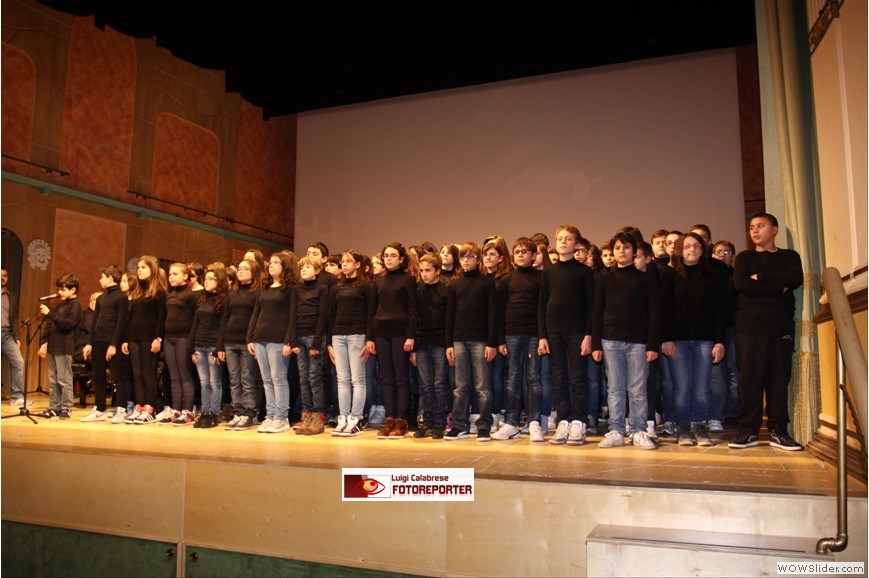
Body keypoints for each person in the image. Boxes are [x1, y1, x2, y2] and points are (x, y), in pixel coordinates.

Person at [729, 213, 804, 451]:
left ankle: (778, 431)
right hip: (750, 327)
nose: (754, 231)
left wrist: (761, 277)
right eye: (752, 227)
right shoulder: (745, 257)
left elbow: (795, 278)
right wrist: (778, 287)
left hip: (780, 325)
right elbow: (742, 284)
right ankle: (748, 431)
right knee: (750, 379)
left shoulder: (789, 256)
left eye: (760, 226)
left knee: (779, 378)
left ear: (775, 229)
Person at [592, 233, 661, 450]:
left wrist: (652, 344)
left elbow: (654, 313)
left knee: (638, 389)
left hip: (638, 341)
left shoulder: (646, 279)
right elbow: (597, 312)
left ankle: (639, 430)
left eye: (626, 247)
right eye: (618, 248)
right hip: (610, 340)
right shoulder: (604, 279)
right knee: (615, 388)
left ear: (634, 251)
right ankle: (616, 430)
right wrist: (596, 344)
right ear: (612, 252)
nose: (622, 251)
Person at [660, 233, 726, 447]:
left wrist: (719, 341)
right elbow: (664, 310)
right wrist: (666, 338)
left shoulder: (711, 276)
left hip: (705, 340)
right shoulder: (671, 276)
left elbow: (719, 311)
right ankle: (683, 427)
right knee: (681, 387)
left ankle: (699, 425)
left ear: (702, 249)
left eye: (696, 246)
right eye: (687, 246)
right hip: (677, 341)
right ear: (680, 250)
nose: (692, 249)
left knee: (702, 387)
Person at [538, 225, 595, 446]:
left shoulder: (585, 273)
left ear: (576, 244)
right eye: (560, 238)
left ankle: (579, 421)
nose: (563, 242)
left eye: (568, 239)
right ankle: (563, 420)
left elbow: (591, 307)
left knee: (577, 378)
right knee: (558, 378)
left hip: (577, 333)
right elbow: (542, 306)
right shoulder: (548, 272)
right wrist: (542, 336)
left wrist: (589, 335)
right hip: (553, 333)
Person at [444, 242, 497, 441]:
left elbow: (493, 314)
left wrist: (492, 343)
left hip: (481, 340)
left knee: (483, 387)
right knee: (460, 387)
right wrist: (449, 344)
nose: (466, 260)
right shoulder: (455, 284)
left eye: (471, 256)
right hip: (459, 340)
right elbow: (450, 316)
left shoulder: (487, 282)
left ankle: (484, 426)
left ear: (478, 259)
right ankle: (460, 425)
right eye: (463, 257)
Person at [367, 242, 418, 439]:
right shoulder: (378, 281)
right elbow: (372, 312)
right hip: (381, 333)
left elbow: (413, 310)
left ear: (401, 259)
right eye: (386, 256)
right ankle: (389, 419)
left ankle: (402, 420)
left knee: (401, 377)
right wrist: (370, 337)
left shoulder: (408, 280)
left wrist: (411, 336)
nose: (388, 259)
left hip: (400, 334)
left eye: (393, 255)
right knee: (386, 378)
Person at [493, 238, 542, 441]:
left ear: (534, 255)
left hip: (534, 334)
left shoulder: (541, 278)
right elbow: (499, 313)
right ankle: (511, 423)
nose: (521, 255)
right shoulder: (506, 280)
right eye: (517, 251)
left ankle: (534, 422)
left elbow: (543, 309)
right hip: (512, 334)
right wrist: (500, 340)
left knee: (533, 378)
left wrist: (543, 336)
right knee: (513, 378)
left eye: (525, 251)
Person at [248, 252, 297, 434]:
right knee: (266, 379)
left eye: (277, 262)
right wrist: (251, 338)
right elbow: (256, 313)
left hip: (278, 339)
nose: (272, 265)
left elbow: (292, 316)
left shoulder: (290, 289)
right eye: (271, 262)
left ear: (285, 267)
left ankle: (281, 418)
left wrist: (288, 341)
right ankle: (270, 415)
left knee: (278, 378)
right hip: (260, 338)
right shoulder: (264, 288)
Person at [327, 250, 372, 437]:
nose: (344, 264)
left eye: (348, 261)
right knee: (342, 379)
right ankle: (343, 417)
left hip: (357, 334)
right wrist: (329, 343)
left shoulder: (366, 287)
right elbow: (331, 315)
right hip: (338, 335)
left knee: (357, 379)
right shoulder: (336, 288)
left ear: (358, 265)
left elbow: (370, 314)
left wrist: (369, 339)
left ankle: (356, 417)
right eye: (342, 261)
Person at [120, 256, 168, 424]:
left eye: (143, 267)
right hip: (134, 337)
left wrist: (158, 338)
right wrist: (126, 340)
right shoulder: (137, 292)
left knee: (148, 374)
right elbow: (131, 318)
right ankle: (139, 407)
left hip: (150, 338)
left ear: (152, 269)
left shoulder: (160, 292)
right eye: (138, 267)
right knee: (137, 374)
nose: (139, 270)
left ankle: (150, 408)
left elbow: (161, 318)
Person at [218, 259, 262, 431]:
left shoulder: (257, 292)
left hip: (247, 342)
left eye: (245, 268)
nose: (241, 271)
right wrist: (220, 345)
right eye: (239, 269)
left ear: (254, 272)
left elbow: (257, 318)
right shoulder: (232, 293)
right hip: (230, 341)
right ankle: (237, 412)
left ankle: (249, 413)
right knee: (234, 380)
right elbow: (225, 319)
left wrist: (253, 340)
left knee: (247, 379)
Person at [81, 265, 129, 422]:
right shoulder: (101, 298)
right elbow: (94, 322)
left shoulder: (121, 298)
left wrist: (113, 345)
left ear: (110, 278)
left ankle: (121, 409)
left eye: (102, 277)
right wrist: (89, 343)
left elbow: (121, 323)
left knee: (118, 376)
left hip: (113, 343)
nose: (99, 280)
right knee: (98, 376)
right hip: (98, 342)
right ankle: (99, 408)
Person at [411, 253, 449, 439]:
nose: (424, 274)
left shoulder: (445, 291)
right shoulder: (418, 291)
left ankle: (441, 422)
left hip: (440, 343)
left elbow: (449, 320)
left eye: (428, 270)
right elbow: (414, 319)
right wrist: (413, 348)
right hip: (422, 343)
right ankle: (427, 422)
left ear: (438, 271)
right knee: (425, 385)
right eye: (422, 271)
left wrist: (449, 345)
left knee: (439, 384)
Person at [290, 256, 329, 435]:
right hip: (299, 337)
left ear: (317, 270)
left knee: (314, 377)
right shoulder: (296, 289)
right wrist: (293, 340)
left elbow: (323, 316)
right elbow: (292, 315)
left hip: (314, 337)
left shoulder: (322, 288)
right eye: (302, 267)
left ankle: (318, 415)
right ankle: (306, 414)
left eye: (308, 266)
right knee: (303, 378)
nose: (304, 270)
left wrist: (316, 342)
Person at [37, 274, 81, 419]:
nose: (60, 292)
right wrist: (44, 343)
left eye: (63, 289)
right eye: (59, 289)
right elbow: (50, 326)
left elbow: (68, 324)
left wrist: (50, 314)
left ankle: (66, 407)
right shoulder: (60, 305)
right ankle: (54, 407)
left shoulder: (75, 305)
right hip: (53, 346)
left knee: (64, 379)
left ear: (73, 290)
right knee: (53, 379)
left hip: (64, 346)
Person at [189, 264, 227, 428]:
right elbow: (195, 325)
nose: (207, 281)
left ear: (219, 281)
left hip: (213, 346)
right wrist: (191, 348)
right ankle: (205, 412)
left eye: (212, 279)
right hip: (199, 345)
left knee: (214, 382)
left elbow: (223, 326)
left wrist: (219, 348)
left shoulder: (223, 300)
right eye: (206, 279)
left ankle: (214, 413)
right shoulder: (202, 299)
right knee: (204, 382)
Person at [162, 263, 200, 425]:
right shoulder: (170, 295)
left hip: (184, 339)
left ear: (185, 276)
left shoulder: (191, 295)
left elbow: (196, 320)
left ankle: (188, 411)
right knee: (174, 376)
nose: (171, 276)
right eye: (170, 274)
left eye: (175, 274)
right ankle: (176, 409)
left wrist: (193, 342)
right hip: (169, 339)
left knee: (185, 375)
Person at [708, 240, 739, 428]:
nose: (722, 255)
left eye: (726, 252)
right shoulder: (710, 277)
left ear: (732, 256)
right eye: (718, 252)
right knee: (717, 373)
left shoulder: (736, 276)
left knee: (734, 371)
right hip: (714, 330)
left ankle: (732, 412)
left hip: (734, 328)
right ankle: (717, 414)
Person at [1, 267, 27, 406]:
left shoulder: (12, 296)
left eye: (5, 275)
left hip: (7, 334)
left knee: (18, 362)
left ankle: (16, 396)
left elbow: (15, 318)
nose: (2, 278)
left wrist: (17, 337)